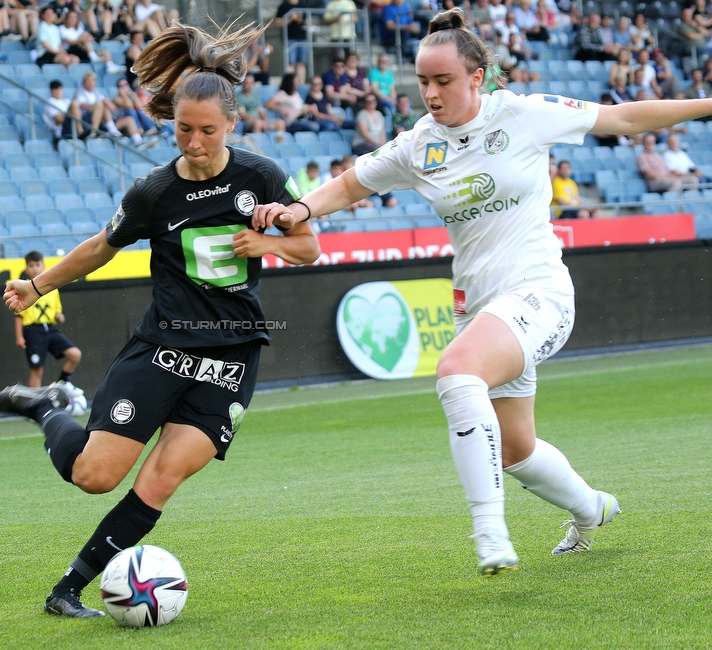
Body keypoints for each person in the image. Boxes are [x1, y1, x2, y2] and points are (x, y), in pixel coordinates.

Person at [253, 6, 712, 577]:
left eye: (443, 81)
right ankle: (592, 509)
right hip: (479, 307)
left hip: (539, 290)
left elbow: (625, 119)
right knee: (517, 449)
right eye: (423, 81)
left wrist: (707, 104)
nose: (431, 93)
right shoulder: (419, 144)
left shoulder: (524, 113)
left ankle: (489, 529)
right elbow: (348, 186)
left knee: (456, 373)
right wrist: (297, 208)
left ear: (476, 77)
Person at [0, 22, 319, 618]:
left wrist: (267, 244)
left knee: (162, 479)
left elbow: (309, 248)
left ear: (232, 125)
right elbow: (99, 247)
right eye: (183, 129)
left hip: (231, 357)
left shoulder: (264, 177)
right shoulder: (153, 191)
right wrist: (36, 285)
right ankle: (48, 409)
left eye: (208, 131)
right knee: (94, 476)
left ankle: (68, 590)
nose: (194, 142)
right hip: (163, 349)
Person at [14, 251, 83, 389]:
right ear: (27, 269)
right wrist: (19, 337)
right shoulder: (24, 288)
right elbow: (19, 316)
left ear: (43, 266)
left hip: (51, 329)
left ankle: (63, 385)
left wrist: (59, 315)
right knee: (37, 369)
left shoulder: (52, 288)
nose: (35, 268)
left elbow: (57, 310)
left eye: (37, 265)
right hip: (33, 331)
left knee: (75, 354)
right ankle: (35, 403)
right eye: (31, 266)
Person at [274, 0, 308, 82]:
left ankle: (301, 84)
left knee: (301, 63)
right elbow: (278, 24)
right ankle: (291, 83)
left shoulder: (302, 4)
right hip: (290, 38)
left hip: (302, 37)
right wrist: (290, 19)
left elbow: (306, 20)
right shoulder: (283, 6)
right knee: (291, 63)